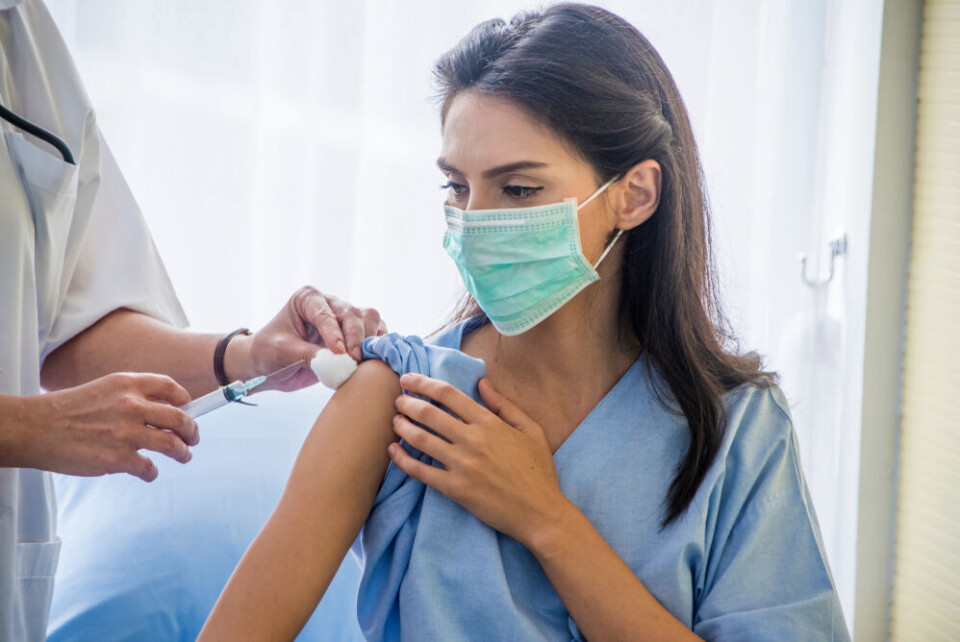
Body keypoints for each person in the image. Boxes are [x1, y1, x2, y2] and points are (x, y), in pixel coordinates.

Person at [200, 4, 850, 640]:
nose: (475, 223)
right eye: (456, 187)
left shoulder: (738, 426)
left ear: (635, 194)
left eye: (517, 190)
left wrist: (545, 519)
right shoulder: (399, 400)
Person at [0, 0, 384, 640]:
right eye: (454, 186)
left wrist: (244, 358)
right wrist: (21, 428)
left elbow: (71, 317)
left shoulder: (23, 40)